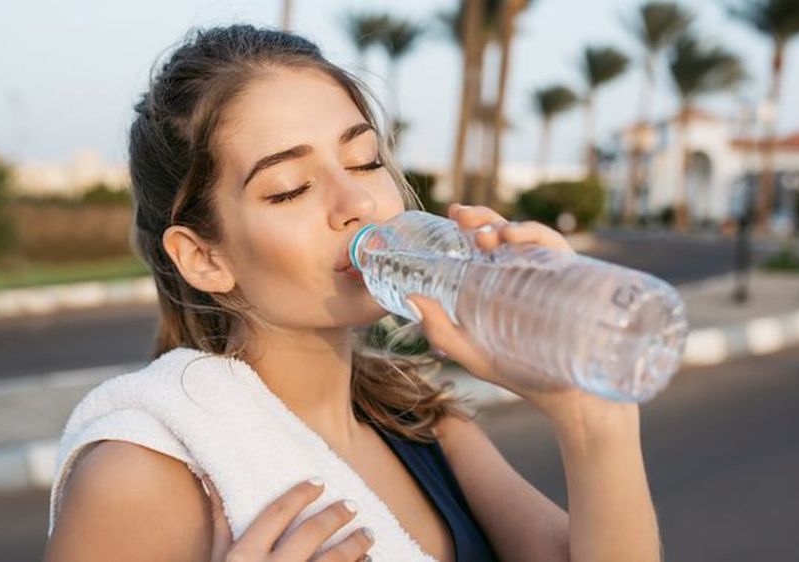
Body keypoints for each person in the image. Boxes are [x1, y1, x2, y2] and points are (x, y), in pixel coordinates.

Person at [43, 24, 662, 562]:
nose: (359, 203)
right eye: (289, 188)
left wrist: (589, 416)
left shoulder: (425, 424)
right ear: (203, 257)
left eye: (365, 161)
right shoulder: (142, 477)